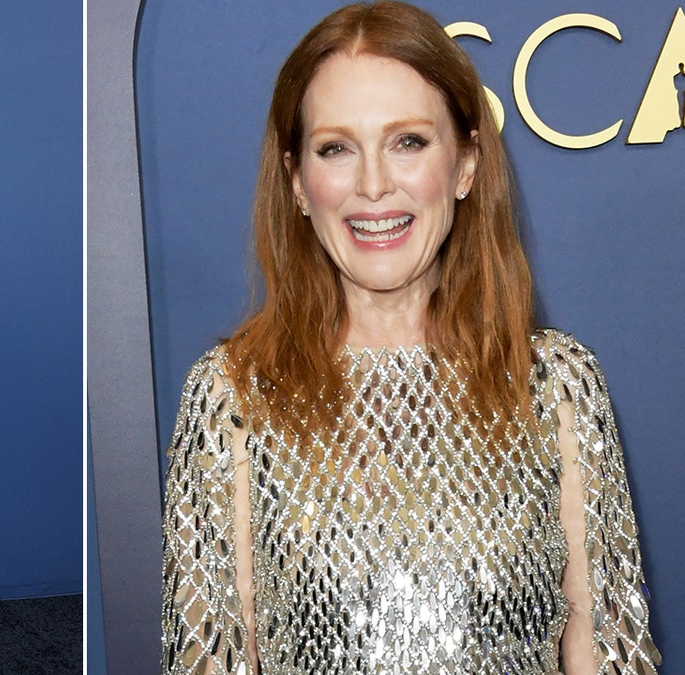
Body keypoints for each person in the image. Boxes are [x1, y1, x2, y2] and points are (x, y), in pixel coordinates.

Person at [160, 3, 659, 673]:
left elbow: (608, 651)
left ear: (465, 166)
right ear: (298, 182)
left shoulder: (558, 384)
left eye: (408, 142)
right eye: (336, 148)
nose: (373, 185)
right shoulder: (235, 394)